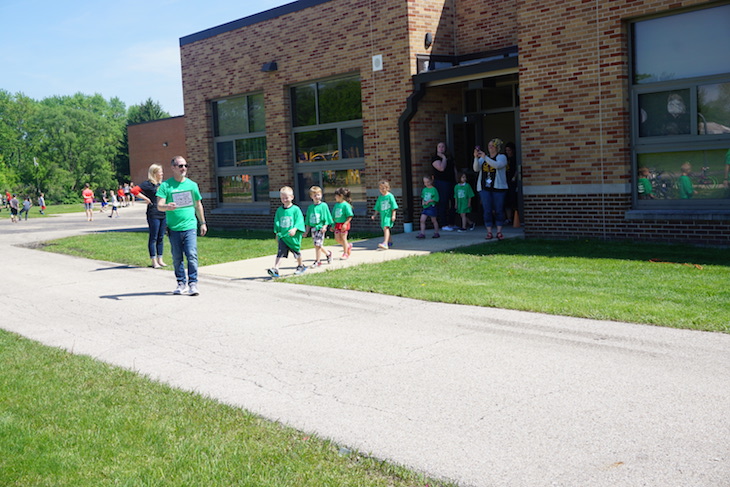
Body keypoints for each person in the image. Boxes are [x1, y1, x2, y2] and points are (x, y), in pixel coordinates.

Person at [157, 156, 207, 296]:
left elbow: (198, 205)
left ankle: (193, 283)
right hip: (173, 228)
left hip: (190, 226)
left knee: (191, 254)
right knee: (177, 257)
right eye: (180, 166)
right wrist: (167, 206)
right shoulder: (166, 186)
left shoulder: (192, 185)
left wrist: (202, 223)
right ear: (173, 168)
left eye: (185, 165)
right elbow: (159, 206)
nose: (183, 168)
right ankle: (181, 283)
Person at [132, 164, 168, 268]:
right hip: (153, 213)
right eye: (160, 172)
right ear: (154, 173)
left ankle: (160, 259)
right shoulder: (148, 184)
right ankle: (154, 261)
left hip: (163, 213)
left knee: (161, 237)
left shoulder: (162, 184)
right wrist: (145, 199)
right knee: (154, 237)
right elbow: (134, 190)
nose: (162, 174)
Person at [267, 186, 306, 278]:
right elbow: (277, 221)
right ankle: (275, 269)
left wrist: (295, 229)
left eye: (286, 197)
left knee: (296, 252)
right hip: (283, 236)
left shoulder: (296, 209)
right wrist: (277, 233)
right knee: (280, 252)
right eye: (282, 198)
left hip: (293, 237)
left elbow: (299, 220)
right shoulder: (279, 210)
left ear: (292, 197)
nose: (285, 199)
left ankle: (301, 266)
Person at [473, 138, 508, 240]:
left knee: (498, 210)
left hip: (498, 188)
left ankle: (499, 231)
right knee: (487, 210)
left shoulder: (502, 157)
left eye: (492, 146)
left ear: (497, 147)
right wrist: (476, 158)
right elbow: (476, 168)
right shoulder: (483, 158)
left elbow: (497, 165)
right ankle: (489, 232)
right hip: (484, 187)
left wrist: (485, 157)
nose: (490, 148)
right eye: (489, 146)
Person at [304, 185, 333, 268]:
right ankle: (328, 253)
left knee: (317, 244)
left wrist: (325, 226)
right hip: (313, 228)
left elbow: (327, 217)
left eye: (318, 194)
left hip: (320, 228)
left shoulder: (324, 205)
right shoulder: (310, 208)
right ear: (311, 196)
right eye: (315, 195)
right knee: (317, 245)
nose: (317, 197)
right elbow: (308, 220)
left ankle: (318, 261)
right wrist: (306, 230)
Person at [431, 141, 457, 230]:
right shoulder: (435, 158)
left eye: (443, 147)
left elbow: (454, 169)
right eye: (439, 147)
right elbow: (441, 168)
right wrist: (443, 158)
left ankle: (452, 223)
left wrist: (457, 180)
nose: (441, 148)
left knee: (454, 202)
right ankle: (444, 224)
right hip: (442, 183)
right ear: (436, 148)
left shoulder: (450, 157)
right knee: (443, 203)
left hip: (452, 182)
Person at [371, 179, 398, 249]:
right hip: (383, 216)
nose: (382, 190)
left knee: (386, 228)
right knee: (385, 229)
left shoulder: (390, 196)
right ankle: (390, 241)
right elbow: (378, 207)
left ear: (387, 188)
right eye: (380, 188)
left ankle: (385, 243)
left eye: (383, 188)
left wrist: (393, 215)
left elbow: (393, 206)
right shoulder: (380, 197)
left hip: (388, 215)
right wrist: (374, 215)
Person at [332, 187, 354, 259]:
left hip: (343, 224)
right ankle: (348, 246)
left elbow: (350, 216)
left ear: (340, 196)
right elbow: (334, 216)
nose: (335, 197)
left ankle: (345, 253)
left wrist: (345, 224)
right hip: (337, 224)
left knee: (344, 238)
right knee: (337, 239)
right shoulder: (336, 205)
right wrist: (333, 225)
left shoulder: (346, 205)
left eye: (336, 196)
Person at [416, 175, 440, 239]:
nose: (426, 184)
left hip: (431, 206)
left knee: (433, 220)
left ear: (431, 181)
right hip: (426, 207)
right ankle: (422, 233)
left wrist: (429, 201)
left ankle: (436, 232)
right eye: (425, 182)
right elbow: (423, 197)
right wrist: (423, 202)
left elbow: (436, 198)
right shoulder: (424, 189)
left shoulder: (434, 189)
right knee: (422, 220)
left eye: (428, 182)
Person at [504, 142, 519, 225]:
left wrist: (515, 177)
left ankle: (516, 217)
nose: (508, 152)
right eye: (506, 150)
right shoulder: (504, 158)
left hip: (512, 181)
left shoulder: (515, 158)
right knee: (507, 201)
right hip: (505, 181)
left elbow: (517, 168)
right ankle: (508, 218)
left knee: (513, 199)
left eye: (509, 150)